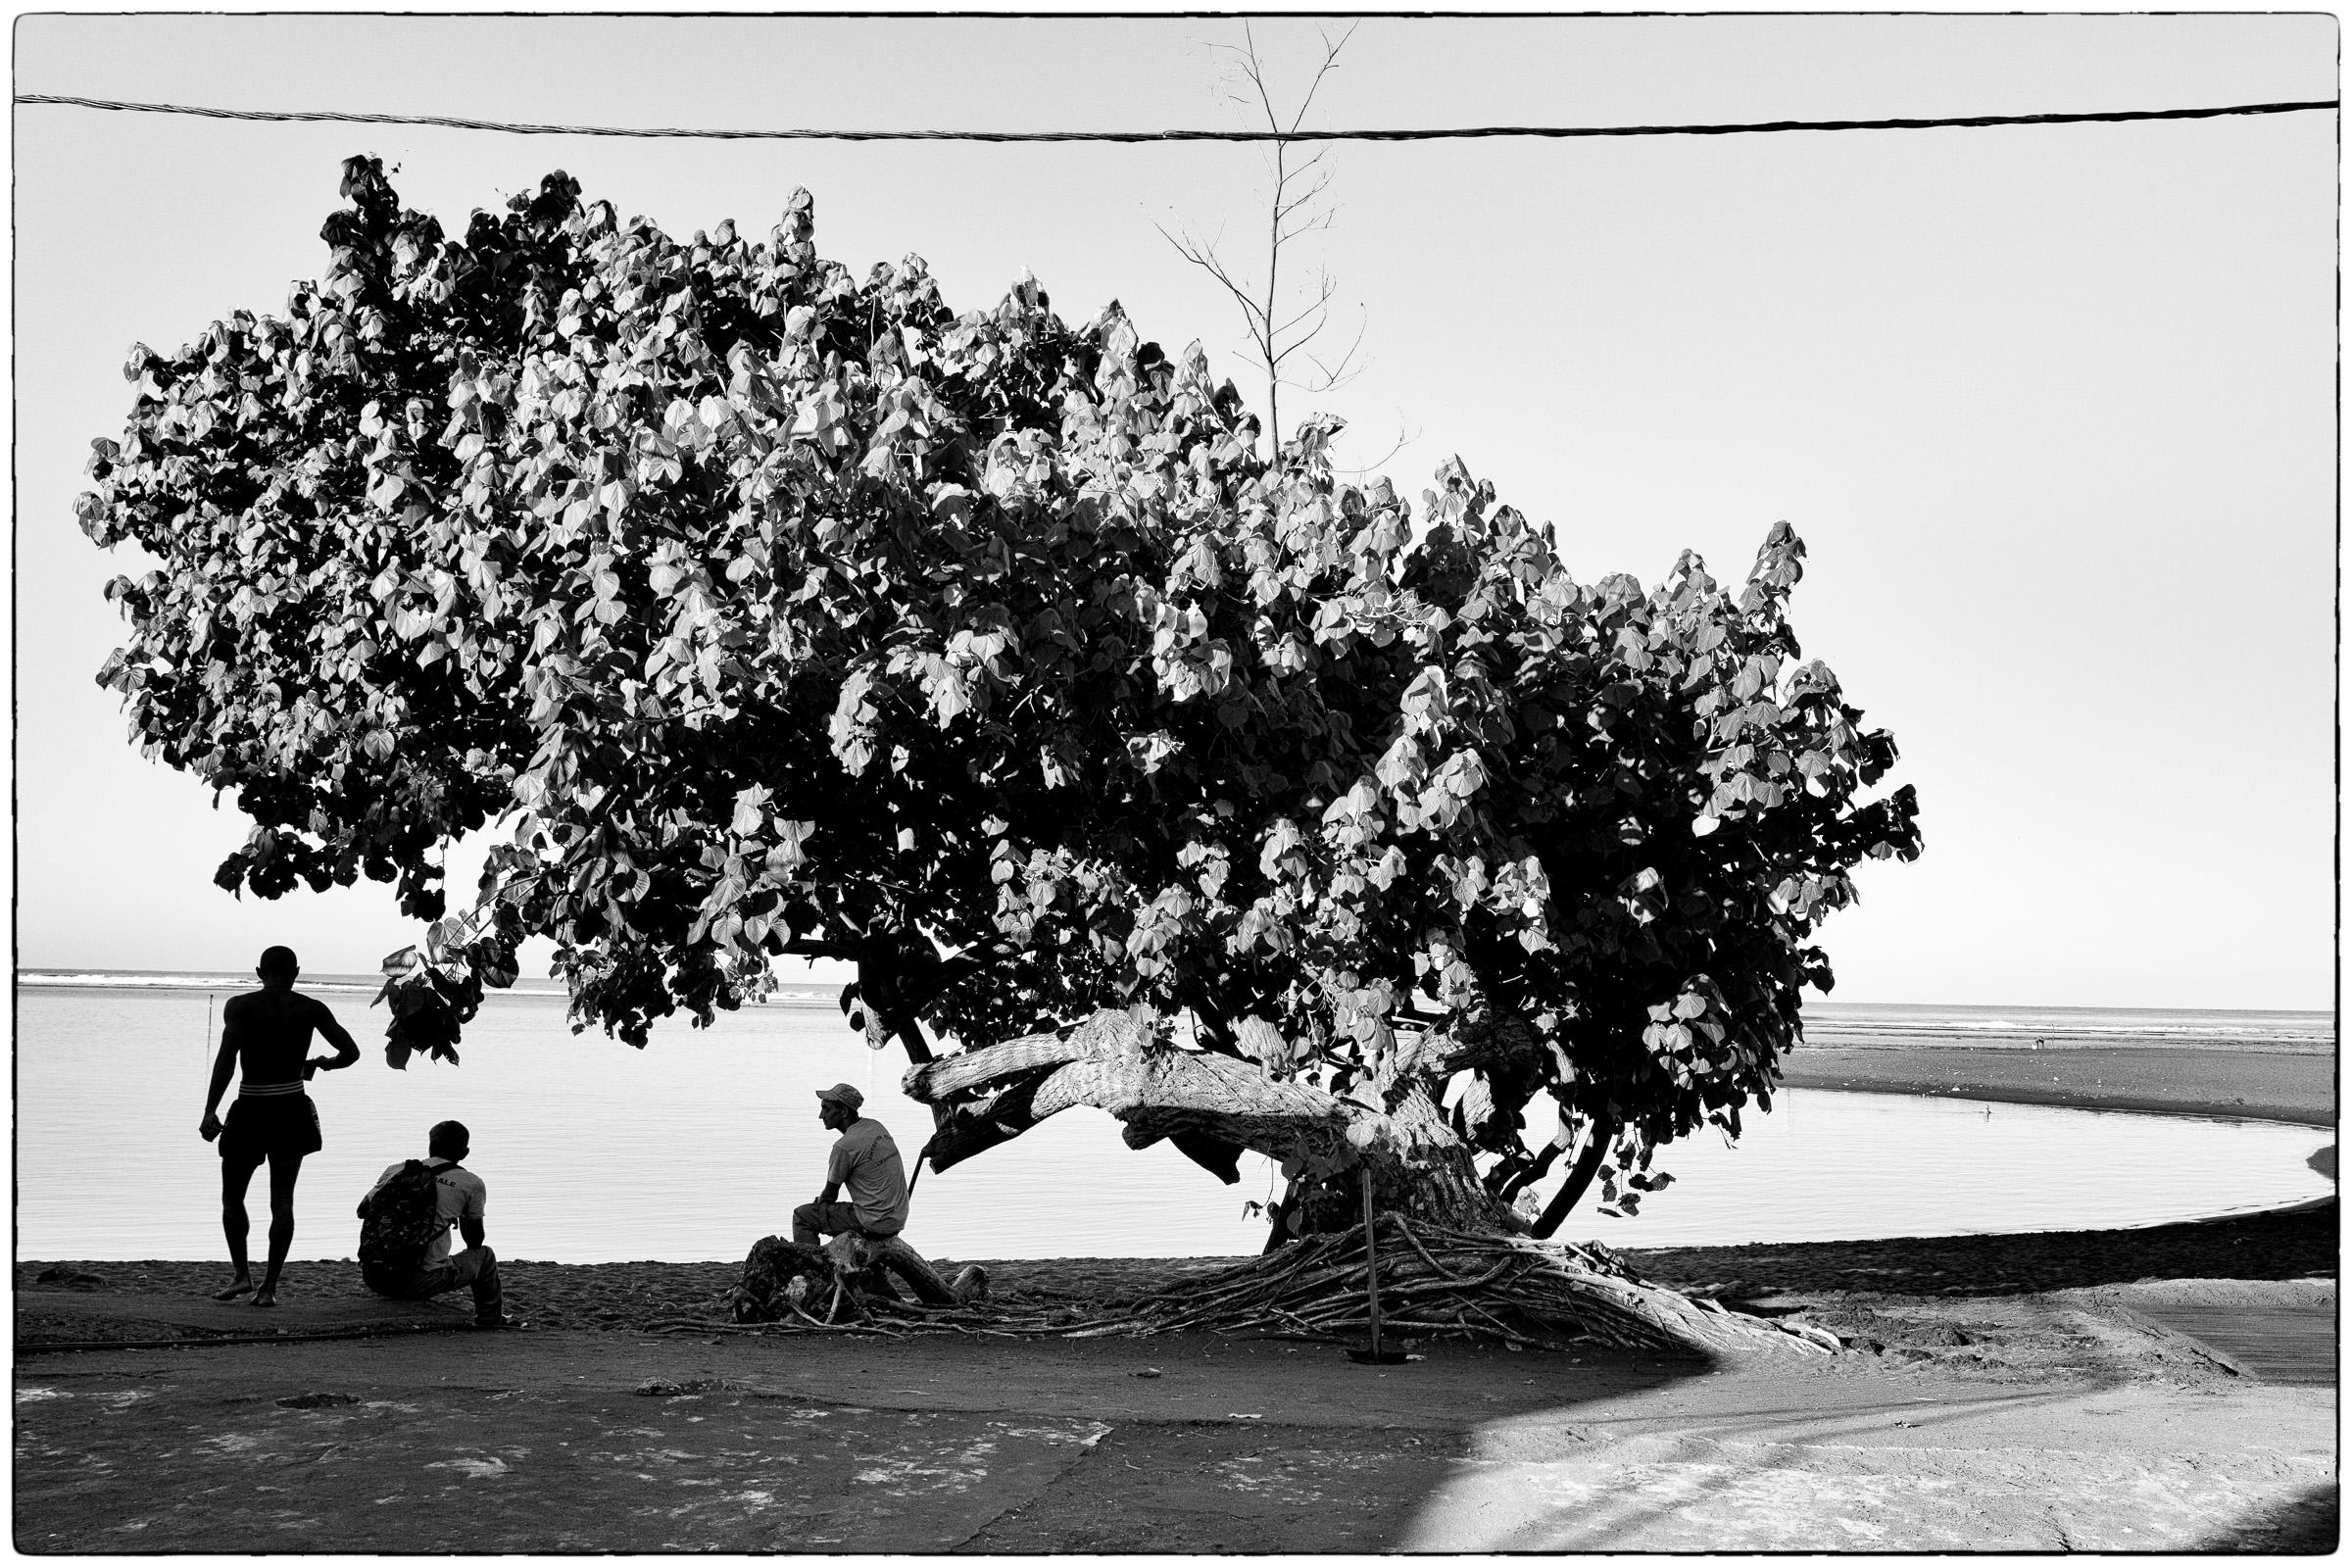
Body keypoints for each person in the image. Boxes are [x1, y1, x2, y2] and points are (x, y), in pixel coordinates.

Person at [199, 945, 360, 1306]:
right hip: (291, 1107)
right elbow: (351, 1053)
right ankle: (268, 1288)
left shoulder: (240, 1006)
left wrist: (210, 1110)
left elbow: (226, 1059)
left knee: (232, 1198)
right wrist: (320, 1063)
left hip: (252, 1106)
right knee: (282, 1201)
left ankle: (242, 1275)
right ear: (297, 972)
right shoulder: (310, 1008)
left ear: (259, 971)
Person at [358, 1119, 516, 1329]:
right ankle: (490, 1319)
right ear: (465, 1153)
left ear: (430, 1146)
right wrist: (456, 1214)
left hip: (374, 1276)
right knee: (485, 1256)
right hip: (417, 1281)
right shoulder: (470, 1183)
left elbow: (362, 1211)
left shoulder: (396, 1170)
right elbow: (475, 1241)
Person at [792, 1084, 911, 1249]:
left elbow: (830, 1195)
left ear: (844, 1112)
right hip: (897, 1218)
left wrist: (819, 1203)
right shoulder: (876, 1126)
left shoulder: (844, 1146)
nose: (821, 1115)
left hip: (874, 1222)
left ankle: (810, 1267)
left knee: (803, 1216)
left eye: (826, 1109)